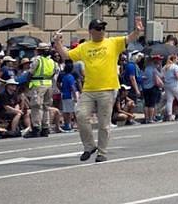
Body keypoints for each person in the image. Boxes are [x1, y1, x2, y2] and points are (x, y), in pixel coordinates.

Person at [52, 17, 143, 162]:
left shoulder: (113, 42)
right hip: (89, 89)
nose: (102, 31)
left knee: (103, 123)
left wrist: (137, 31)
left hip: (107, 88)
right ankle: (89, 146)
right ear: (91, 31)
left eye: (103, 28)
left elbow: (129, 38)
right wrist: (57, 43)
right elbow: (66, 55)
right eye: (99, 28)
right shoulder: (84, 47)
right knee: (80, 115)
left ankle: (102, 152)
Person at [24, 42, 56, 137]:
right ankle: (45, 128)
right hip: (48, 85)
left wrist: (26, 83)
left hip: (38, 85)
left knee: (36, 107)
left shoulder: (37, 60)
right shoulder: (52, 61)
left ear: (39, 51)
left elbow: (30, 73)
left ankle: (36, 128)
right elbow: (54, 73)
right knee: (46, 107)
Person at [162, 54, 178, 121]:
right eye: (177, 59)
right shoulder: (175, 67)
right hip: (175, 85)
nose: (177, 60)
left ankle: (169, 116)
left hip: (167, 85)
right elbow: (177, 76)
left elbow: (162, 77)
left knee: (169, 101)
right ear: (174, 59)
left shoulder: (164, 67)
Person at [141, 54, 164, 123]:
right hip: (152, 87)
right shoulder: (154, 69)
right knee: (152, 104)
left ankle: (146, 118)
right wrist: (160, 68)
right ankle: (151, 118)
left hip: (145, 88)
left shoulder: (145, 69)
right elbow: (161, 76)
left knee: (146, 104)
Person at [57, 60, 78, 131]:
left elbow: (59, 84)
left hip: (64, 95)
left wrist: (62, 89)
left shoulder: (64, 77)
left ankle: (67, 125)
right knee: (73, 111)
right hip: (70, 96)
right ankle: (75, 124)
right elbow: (73, 87)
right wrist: (75, 96)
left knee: (66, 111)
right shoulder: (71, 77)